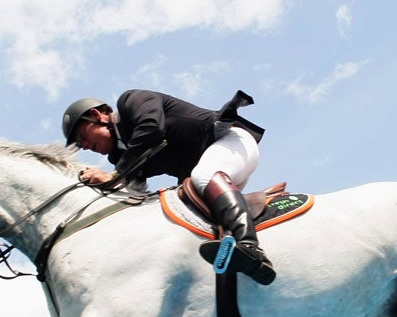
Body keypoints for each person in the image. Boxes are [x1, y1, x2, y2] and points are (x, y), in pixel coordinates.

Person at [62, 89, 276, 285]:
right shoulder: (119, 157)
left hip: (229, 142)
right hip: (207, 178)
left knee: (202, 175)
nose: (86, 146)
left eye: (83, 137)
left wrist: (114, 175)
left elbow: (152, 128)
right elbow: (133, 196)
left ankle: (250, 247)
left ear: (98, 115)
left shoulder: (131, 101)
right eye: (81, 146)